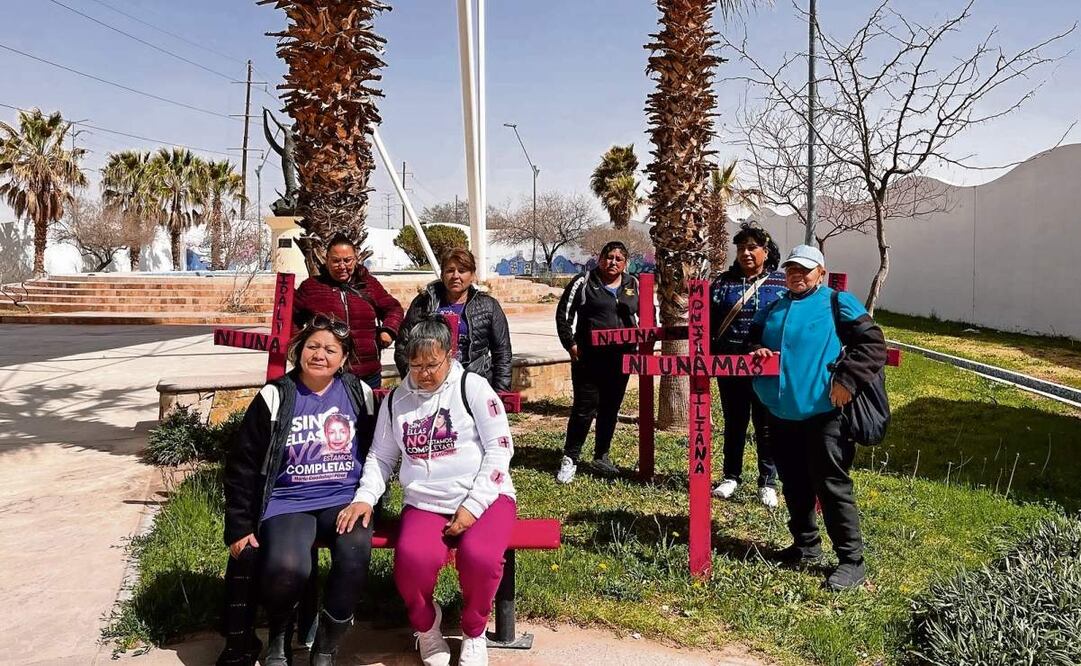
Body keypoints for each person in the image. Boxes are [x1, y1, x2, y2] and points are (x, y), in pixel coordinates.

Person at [347, 317, 517, 666]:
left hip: (485, 495)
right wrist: (365, 496)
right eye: (416, 365)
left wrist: (472, 506)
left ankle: (474, 630)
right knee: (412, 561)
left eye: (432, 365)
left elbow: (501, 450)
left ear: (450, 356)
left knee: (480, 558)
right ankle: (426, 628)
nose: (424, 374)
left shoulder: (473, 388)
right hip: (425, 500)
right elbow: (381, 456)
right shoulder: (397, 400)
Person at [222, 315, 378, 666]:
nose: (320, 355)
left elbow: (377, 453)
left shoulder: (359, 393)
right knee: (287, 568)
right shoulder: (276, 395)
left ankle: (325, 646)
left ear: (344, 356)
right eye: (312, 346)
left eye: (330, 349)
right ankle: (280, 636)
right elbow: (242, 465)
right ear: (299, 350)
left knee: (354, 557)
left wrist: (368, 499)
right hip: (288, 502)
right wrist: (239, 526)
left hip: (344, 501)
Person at [748, 245, 887, 591]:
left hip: (824, 414)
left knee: (831, 485)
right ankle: (806, 546)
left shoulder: (837, 302)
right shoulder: (774, 307)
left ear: (821, 274)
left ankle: (851, 561)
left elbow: (873, 344)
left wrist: (847, 380)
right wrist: (755, 351)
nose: (797, 275)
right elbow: (752, 339)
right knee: (794, 482)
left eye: (805, 270)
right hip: (781, 413)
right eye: (792, 269)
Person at [709, 224, 786, 507]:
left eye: (752, 247)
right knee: (734, 422)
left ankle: (768, 481)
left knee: (765, 424)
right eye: (741, 248)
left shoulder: (781, 284)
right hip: (730, 368)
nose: (746, 253)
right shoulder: (721, 284)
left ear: (766, 251)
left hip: (765, 367)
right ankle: (731, 476)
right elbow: (706, 322)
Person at [553, 241, 639, 484]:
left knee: (610, 408)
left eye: (618, 259)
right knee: (584, 408)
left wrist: (638, 345)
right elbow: (564, 315)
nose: (612, 262)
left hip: (621, 359)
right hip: (588, 360)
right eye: (608, 257)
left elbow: (645, 316)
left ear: (625, 263)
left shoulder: (633, 284)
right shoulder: (583, 282)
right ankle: (570, 458)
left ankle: (602, 456)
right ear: (600, 258)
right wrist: (571, 344)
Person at [293, 233, 405, 389]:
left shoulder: (369, 284)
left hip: (368, 373)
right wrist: (300, 350)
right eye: (336, 261)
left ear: (356, 259)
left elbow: (393, 308)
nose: (342, 266)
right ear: (327, 260)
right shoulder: (311, 288)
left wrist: (388, 331)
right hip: (326, 375)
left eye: (347, 260)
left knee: (368, 413)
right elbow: (290, 319)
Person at [395, 248, 513, 392]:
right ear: (442, 274)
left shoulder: (489, 306)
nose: (455, 276)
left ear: (472, 275)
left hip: (474, 384)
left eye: (462, 270)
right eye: (450, 270)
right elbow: (403, 346)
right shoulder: (423, 304)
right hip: (431, 387)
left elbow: (502, 352)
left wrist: (501, 392)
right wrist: (416, 380)